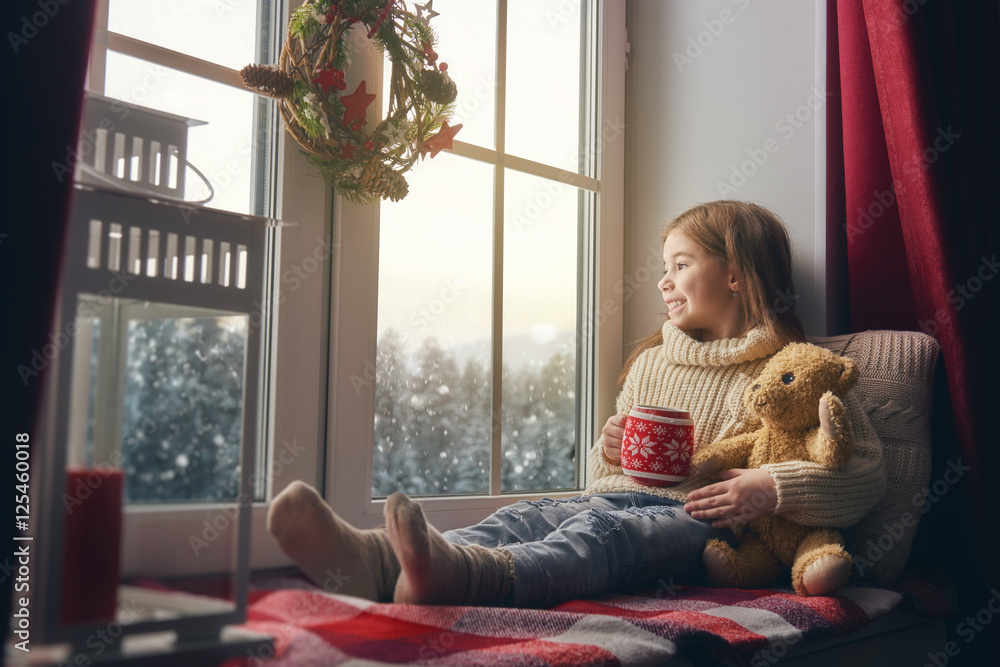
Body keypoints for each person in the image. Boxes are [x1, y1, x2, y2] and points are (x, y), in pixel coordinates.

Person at [267, 200, 887, 608]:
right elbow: (603, 479)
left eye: (680, 264)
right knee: (529, 514)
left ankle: (471, 579)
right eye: (662, 267)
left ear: (735, 273)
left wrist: (769, 487)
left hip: (701, 529)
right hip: (619, 497)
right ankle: (376, 560)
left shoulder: (796, 370)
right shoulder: (652, 362)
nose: (664, 280)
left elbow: (865, 477)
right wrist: (608, 448)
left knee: (604, 533)